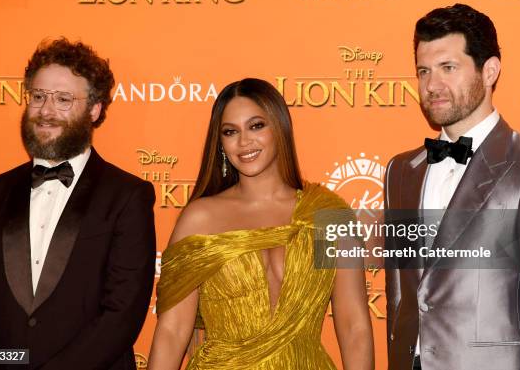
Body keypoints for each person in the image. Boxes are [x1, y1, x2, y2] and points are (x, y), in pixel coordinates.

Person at [0, 38, 156, 369]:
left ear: (95, 108)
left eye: (63, 99)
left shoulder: (127, 196)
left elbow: (122, 313)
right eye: (38, 96)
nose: (46, 111)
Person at [384, 4, 520, 370]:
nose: (432, 85)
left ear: (490, 70)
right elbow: (400, 296)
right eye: (423, 71)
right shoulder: (401, 170)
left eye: (448, 68)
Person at [147, 78, 374, 370]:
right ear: (221, 144)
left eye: (256, 126)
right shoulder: (199, 219)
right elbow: (172, 330)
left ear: (279, 128)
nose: (244, 142)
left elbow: (354, 325)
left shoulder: (328, 213)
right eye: (230, 132)